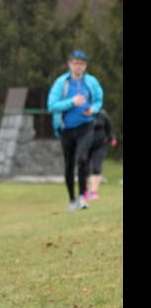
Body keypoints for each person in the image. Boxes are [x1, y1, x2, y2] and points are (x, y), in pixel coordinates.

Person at [47, 50, 104, 211]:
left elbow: (99, 100)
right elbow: (52, 105)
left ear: (85, 66)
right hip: (67, 129)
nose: (79, 66)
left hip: (86, 126)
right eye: (76, 63)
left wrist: (93, 109)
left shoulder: (91, 82)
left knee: (82, 158)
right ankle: (72, 199)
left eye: (82, 64)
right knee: (69, 164)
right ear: (69, 64)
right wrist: (71, 102)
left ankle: (82, 197)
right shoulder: (61, 83)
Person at [85, 110, 117, 201]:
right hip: (85, 145)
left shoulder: (102, 115)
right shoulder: (83, 113)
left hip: (100, 145)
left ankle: (94, 191)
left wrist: (112, 138)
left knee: (96, 168)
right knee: (84, 167)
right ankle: (85, 190)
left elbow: (109, 129)